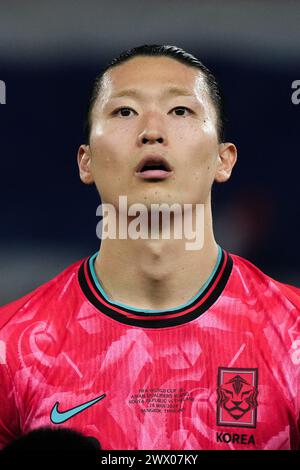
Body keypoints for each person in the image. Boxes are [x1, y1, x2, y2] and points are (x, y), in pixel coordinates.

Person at [0, 44, 299, 451]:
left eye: (181, 111)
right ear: (85, 162)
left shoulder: (294, 336)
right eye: (124, 111)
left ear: (223, 160)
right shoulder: (11, 348)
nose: (152, 131)